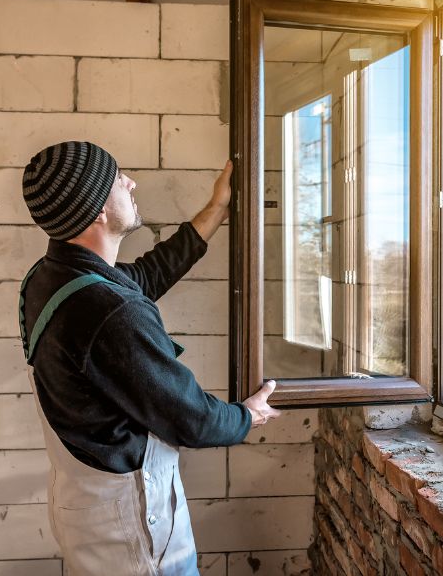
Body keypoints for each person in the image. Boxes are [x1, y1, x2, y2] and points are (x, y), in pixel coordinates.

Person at [18, 140, 280, 575]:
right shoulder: (109, 311)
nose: (131, 182)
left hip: (84, 508)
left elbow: (143, 276)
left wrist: (215, 210)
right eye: (118, 178)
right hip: (132, 532)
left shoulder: (49, 278)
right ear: (97, 210)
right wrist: (246, 416)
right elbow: (191, 419)